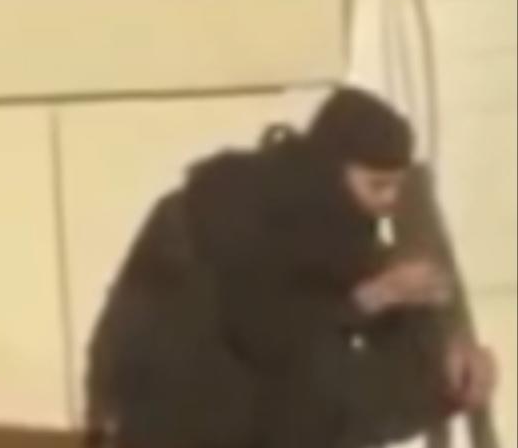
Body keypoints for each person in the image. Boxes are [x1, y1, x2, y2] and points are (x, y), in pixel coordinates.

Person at [85, 87, 497, 448]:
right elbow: (267, 334)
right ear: (329, 170)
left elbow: (348, 318)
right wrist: (377, 298)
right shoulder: (230, 211)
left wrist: (447, 363)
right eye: (377, 185)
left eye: (396, 187)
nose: (389, 202)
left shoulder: (326, 229)